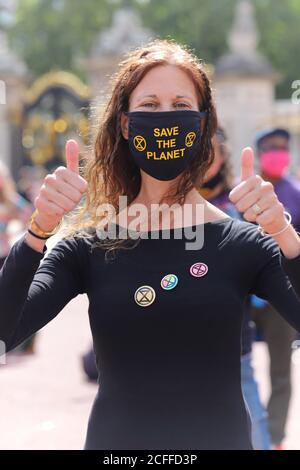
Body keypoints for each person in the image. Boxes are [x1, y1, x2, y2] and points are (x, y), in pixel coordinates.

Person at [1, 40, 300, 450]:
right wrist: (38, 230)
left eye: (180, 104)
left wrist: (283, 234)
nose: (165, 118)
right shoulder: (88, 247)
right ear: (125, 124)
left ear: (202, 123)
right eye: (150, 105)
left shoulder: (244, 243)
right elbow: (6, 330)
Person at [199, 128, 271, 450]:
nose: (205, 158)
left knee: (254, 431)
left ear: (224, 154)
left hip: (233, 346)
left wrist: (269, 223)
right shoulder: (160, 206)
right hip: (178, 350)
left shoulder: (240, 201)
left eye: (211, 149)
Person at [251, 128, 300, 449]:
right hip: (244, 296)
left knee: (281, 371)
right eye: (271, 147)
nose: (277, 152)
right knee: (237, 366)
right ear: (259, 152)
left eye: (283, 147)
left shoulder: (296, 193)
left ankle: (275, 438)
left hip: (283, 297)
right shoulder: (245, 193)